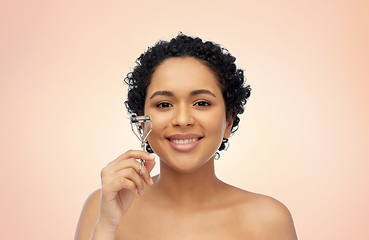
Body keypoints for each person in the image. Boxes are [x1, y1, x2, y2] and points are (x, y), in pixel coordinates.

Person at [74, 33, 297, 240]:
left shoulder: (269, 221)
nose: (182, 119)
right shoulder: (102, 207)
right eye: (164, 104)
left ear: (228, 121)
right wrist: (107, 226)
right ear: (142, 121)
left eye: (201, 103)